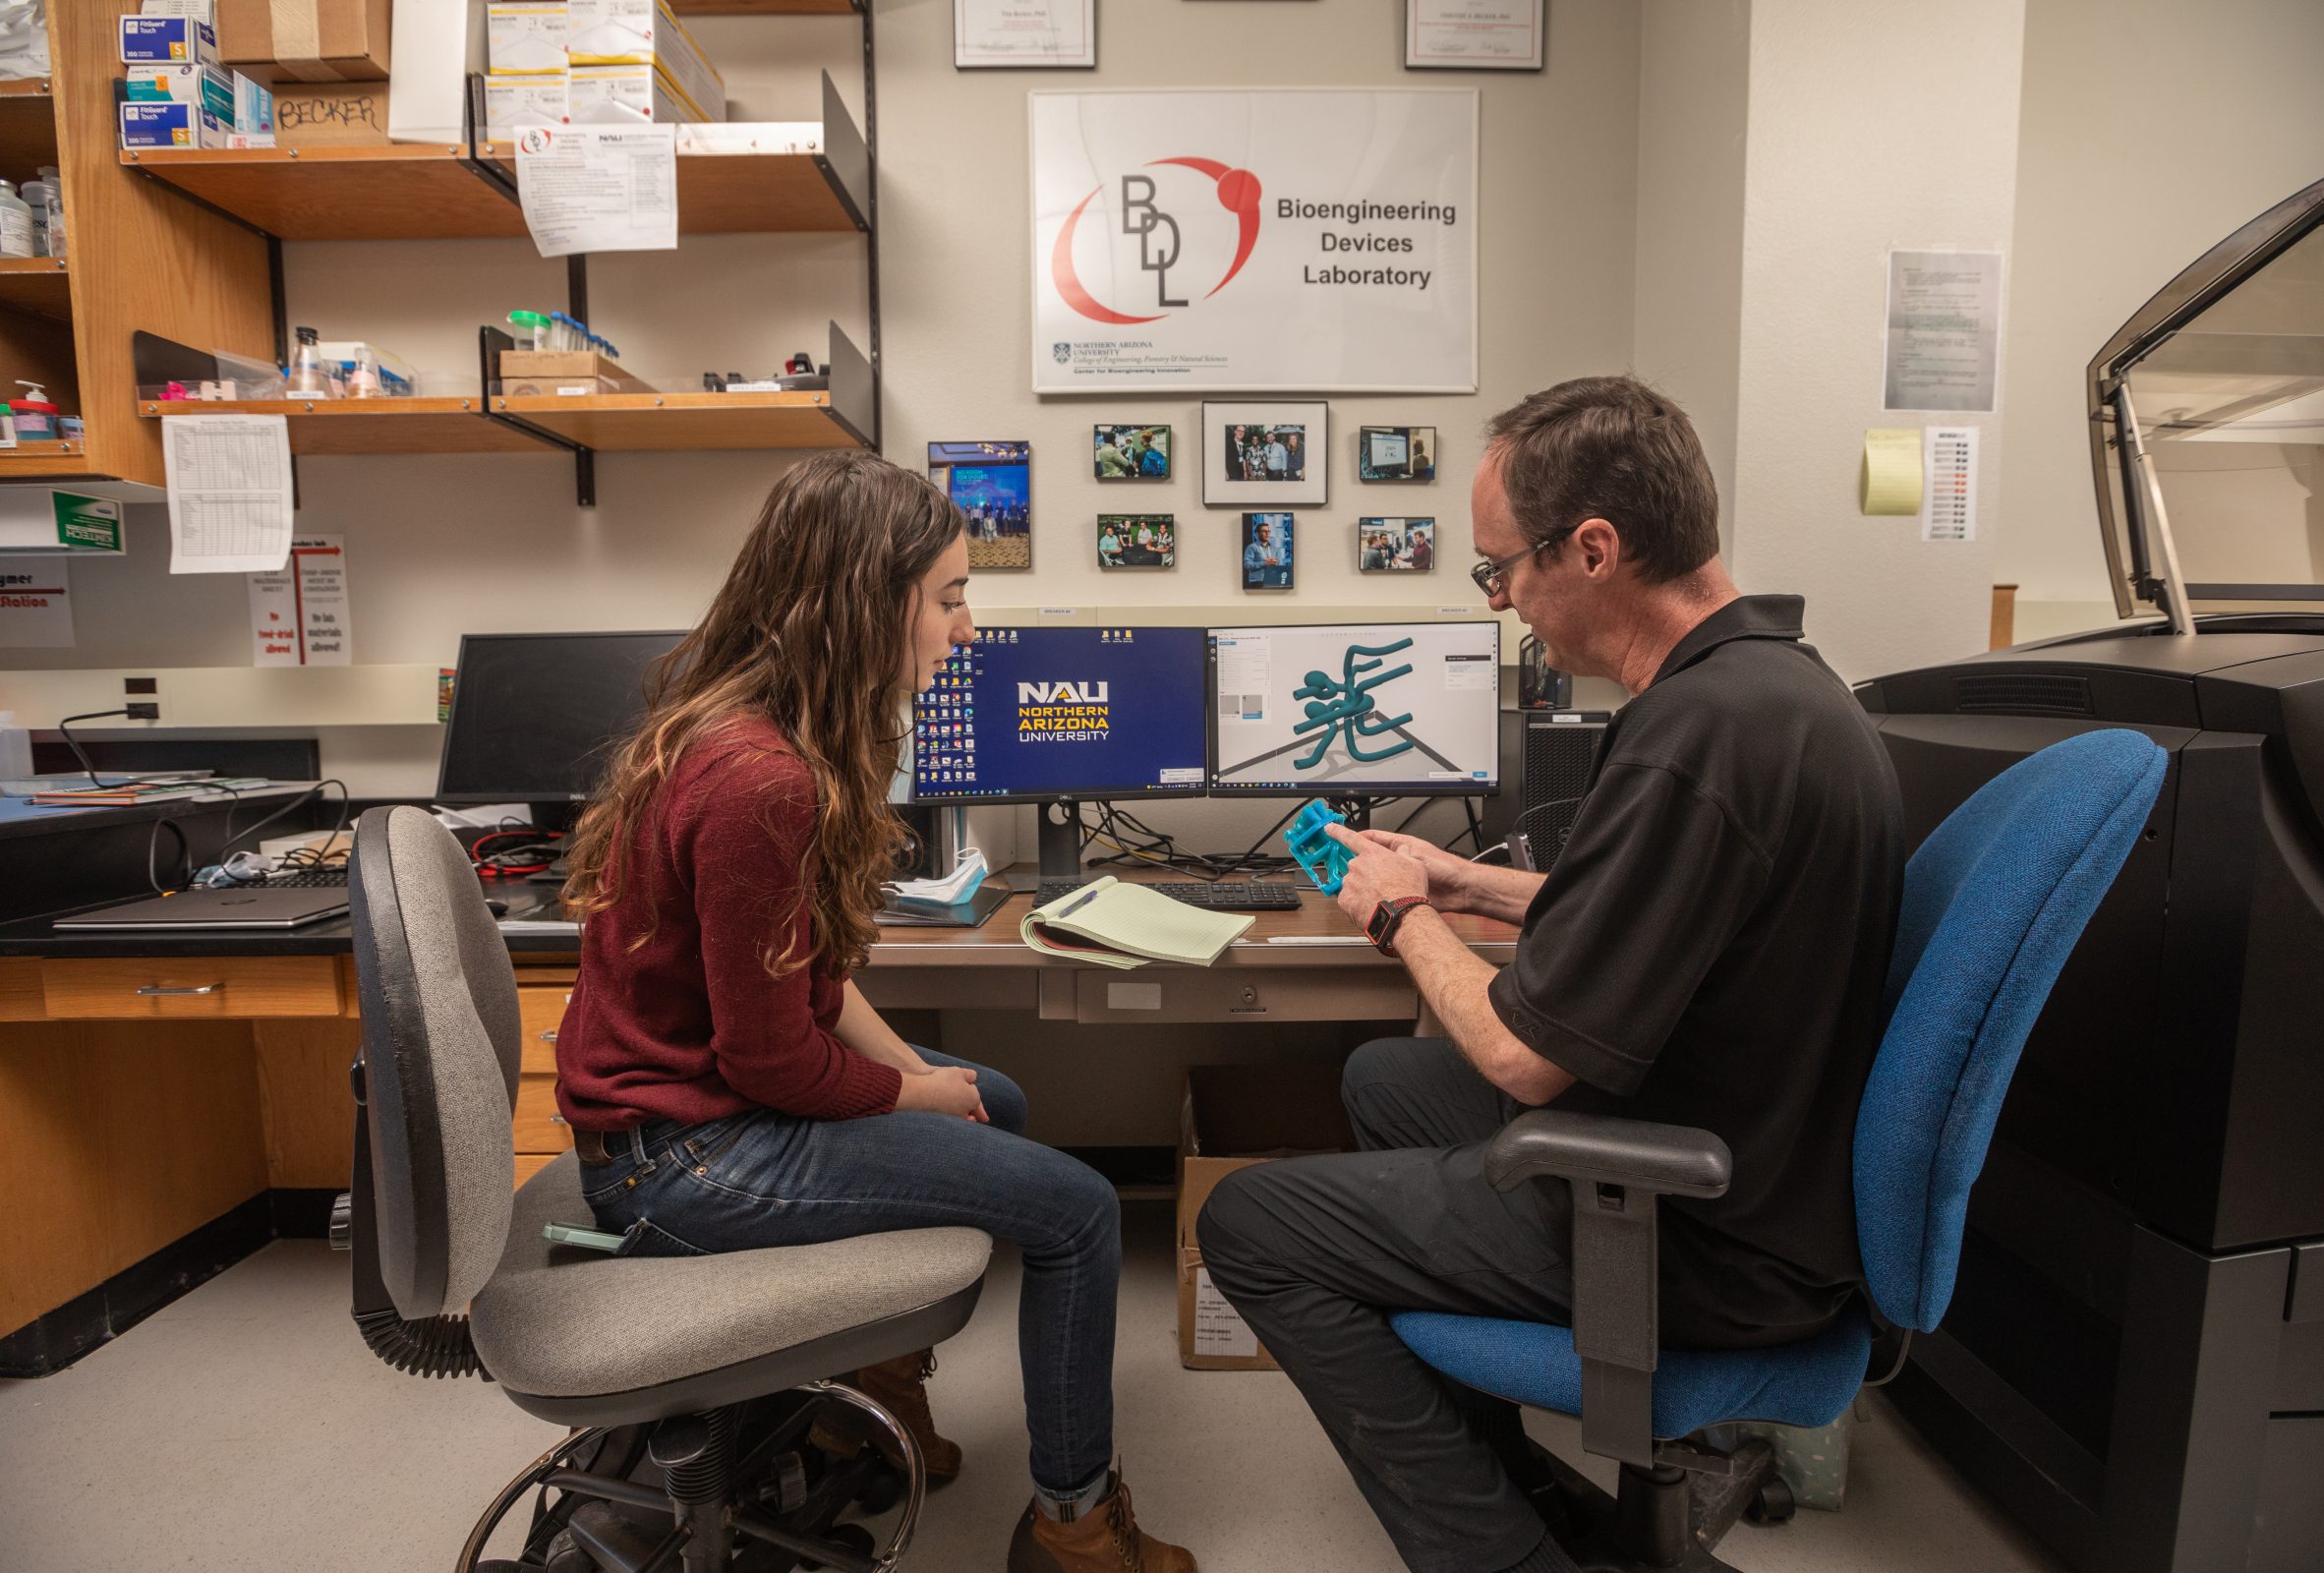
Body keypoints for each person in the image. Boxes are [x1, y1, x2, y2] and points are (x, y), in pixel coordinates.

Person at [1195, 377, 1903, 1573]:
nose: (1506, 601)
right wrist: (1465, 884)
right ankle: (1522, 1497)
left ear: (1593, 548)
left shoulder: (1696, 739)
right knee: (1384, 1078)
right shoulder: (1770, 692)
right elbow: (1677, 919)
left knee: (1248, 1221)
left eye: (1504, 570)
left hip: (1707, 1235)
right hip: (1764, 1161)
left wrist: (1398, 914)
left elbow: (1528, 1058)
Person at [555, 452, 1194, 1573]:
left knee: (994, 1095)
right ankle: (1075, 1526)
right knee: (1085, 1211)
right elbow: (772, 1065)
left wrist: (928, 1086)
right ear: (865, 598)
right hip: (679, 1160)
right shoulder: (764, 781)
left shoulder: (762, 732)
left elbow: (811, 976)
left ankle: (863, 1399)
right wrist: (912, 1095)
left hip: (684, 1118)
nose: (964, 623)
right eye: (948, 596)